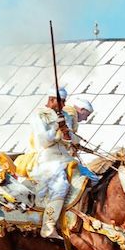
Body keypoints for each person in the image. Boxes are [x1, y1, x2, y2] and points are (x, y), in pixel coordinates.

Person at [29, 88, 82, 238]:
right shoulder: (38, 116)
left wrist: (67, 133)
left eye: (65, 101)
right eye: (62, 101)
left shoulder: (65, 115)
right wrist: (56, 128)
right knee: (61, 185)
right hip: (48, 159)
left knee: (90, 179)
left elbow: (73, 140)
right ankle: (48, 226)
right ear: (52, 100)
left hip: (66, 158)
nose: (64, 104)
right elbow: (44, 140)